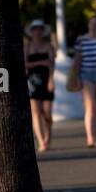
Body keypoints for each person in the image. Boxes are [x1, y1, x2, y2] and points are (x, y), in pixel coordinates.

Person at [24, 19, 55, 153]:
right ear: (31, 31)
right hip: (32, 82)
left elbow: (51, 64)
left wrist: (51, 80)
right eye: (35, 29)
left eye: (39, 29)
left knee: (46, 113)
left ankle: (48, 133)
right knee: (35, 112)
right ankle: (41, 141)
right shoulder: (27, 46)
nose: (37, 31)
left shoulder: (48, 46)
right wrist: (42, 62)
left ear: (43, 31)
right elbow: (25, 64)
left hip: (46, 80)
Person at [76, 16, 96, 147]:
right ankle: (90, 138)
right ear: (88, 25)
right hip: (86, 74)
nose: (94, 26)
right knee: (90, 107)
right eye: (91, 23)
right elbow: (77, 59)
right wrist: (77, 76)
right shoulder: (81, 40)